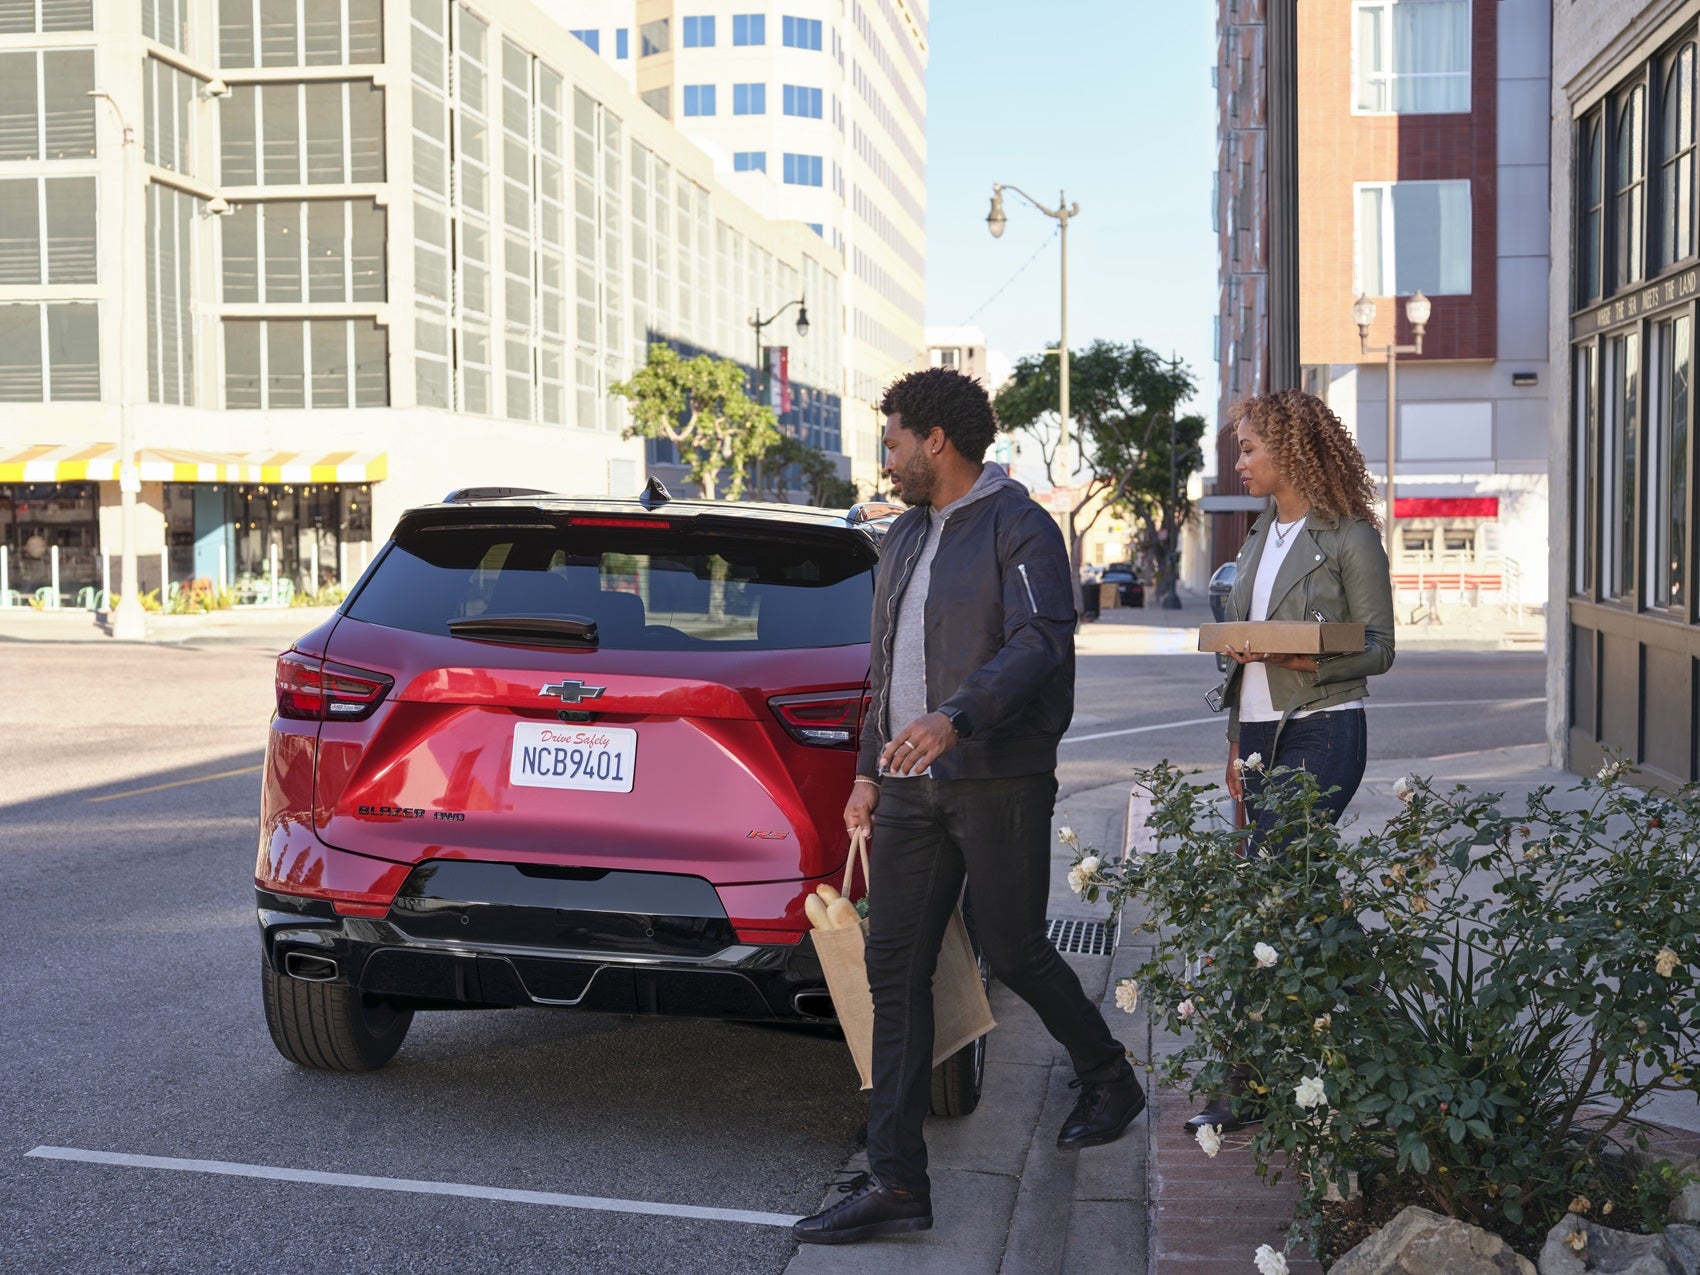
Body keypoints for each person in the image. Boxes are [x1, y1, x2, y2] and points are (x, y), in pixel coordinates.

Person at [792, 367, 1146, 1246]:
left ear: (936, 442)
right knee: (894, 968)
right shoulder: (906, 535)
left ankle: (1109, 1074)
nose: (889, 456)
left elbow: (1040, 644)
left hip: (997, 776)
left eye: (895, 439)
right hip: (910, 790)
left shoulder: (1019, 525)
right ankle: (896, 1182)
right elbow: (886, 667)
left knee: (1018, 948)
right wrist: (871, 769)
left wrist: (957, 718)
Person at [1188, 387, 1395, 1134]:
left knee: (1265, 893)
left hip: (1324, 728)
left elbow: (1380, 647)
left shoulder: (1348, 538)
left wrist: (1292, 651)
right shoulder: (1255, 539)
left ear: (1292, 451)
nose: (1239, 462)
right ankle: (1385, 1039)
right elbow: (1240, 646)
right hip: (1257, 737)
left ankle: (1238, 1078)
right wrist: (1233, 746)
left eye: (1249, 448)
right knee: (1305, 894)